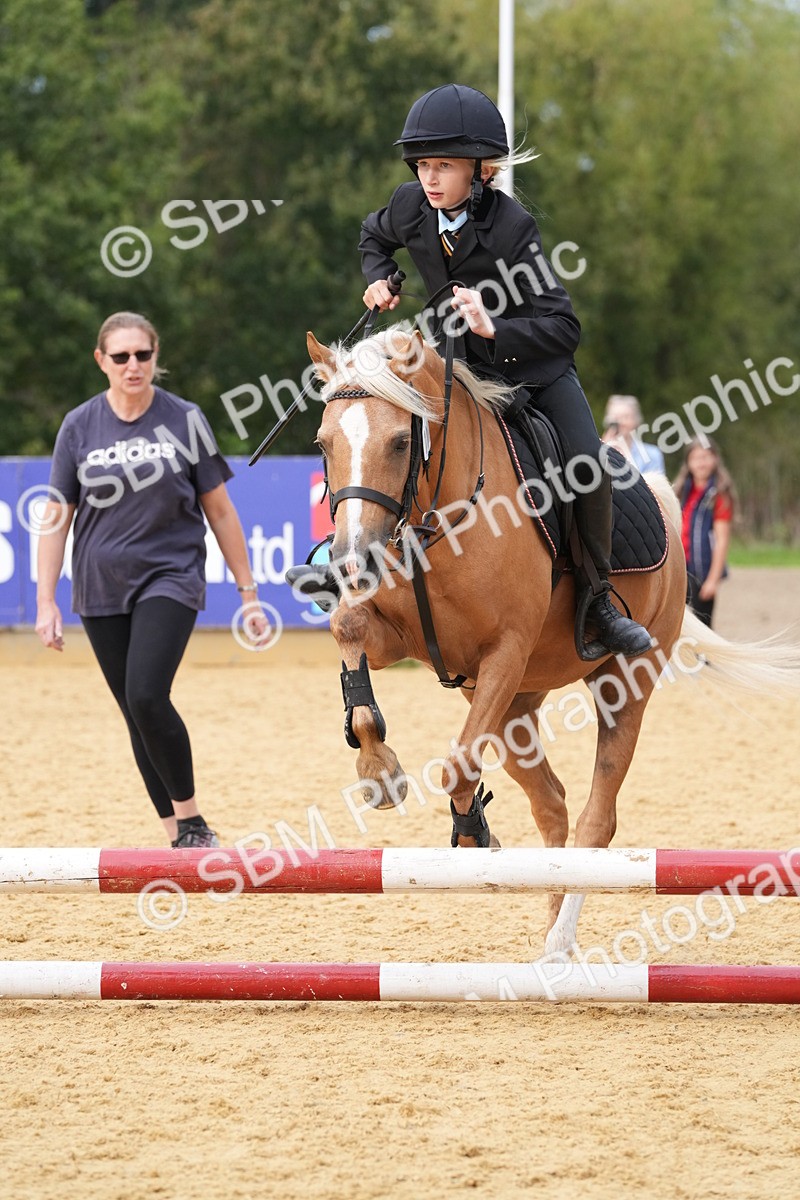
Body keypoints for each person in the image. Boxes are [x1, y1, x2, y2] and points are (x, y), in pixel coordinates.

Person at [288, 83, 652, 657]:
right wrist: (379, 276)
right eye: (423, 166)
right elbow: (372, 234)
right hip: (454, 367)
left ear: (481, 171)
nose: (430, 179)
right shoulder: (410, 205)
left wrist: (493, 326)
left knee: (586, 463)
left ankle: (598, 600)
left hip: (532, 371)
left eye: (445, 167)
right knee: (384, 437)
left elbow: (564, 327)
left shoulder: (512, 228)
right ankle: (350, 563)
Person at [35, 311, 269, 847]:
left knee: (145, 694)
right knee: (134, 712)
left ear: (155, 355)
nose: (133, 365)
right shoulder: (79, 425)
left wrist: (248, 594)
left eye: (142, 354)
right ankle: (178, 837)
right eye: (120, 356)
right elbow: (56, 517)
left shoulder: (184, 419)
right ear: (101, 361)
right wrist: (46, 600)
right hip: (99, 585)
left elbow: (221, 511)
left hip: (171, 575)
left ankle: (193, 821)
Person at [673, 437, 735, 628]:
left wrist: (713, 580)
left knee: (703, 626)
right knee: (677, 624)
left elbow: (721, 540)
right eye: (696, 458)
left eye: (706, 457)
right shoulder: (681, 491)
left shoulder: (719, 494)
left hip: (702, 572)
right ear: (688, 462)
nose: (701, 463)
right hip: (680, 569)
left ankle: (705, 651)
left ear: (715, 459)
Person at [601, 394, 665, 474]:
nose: (620, 423)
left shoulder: (652, 454)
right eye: (615, 418)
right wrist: (603, 451)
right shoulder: (598, 450)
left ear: (636, 421)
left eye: (625, 417)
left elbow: (653, 481)